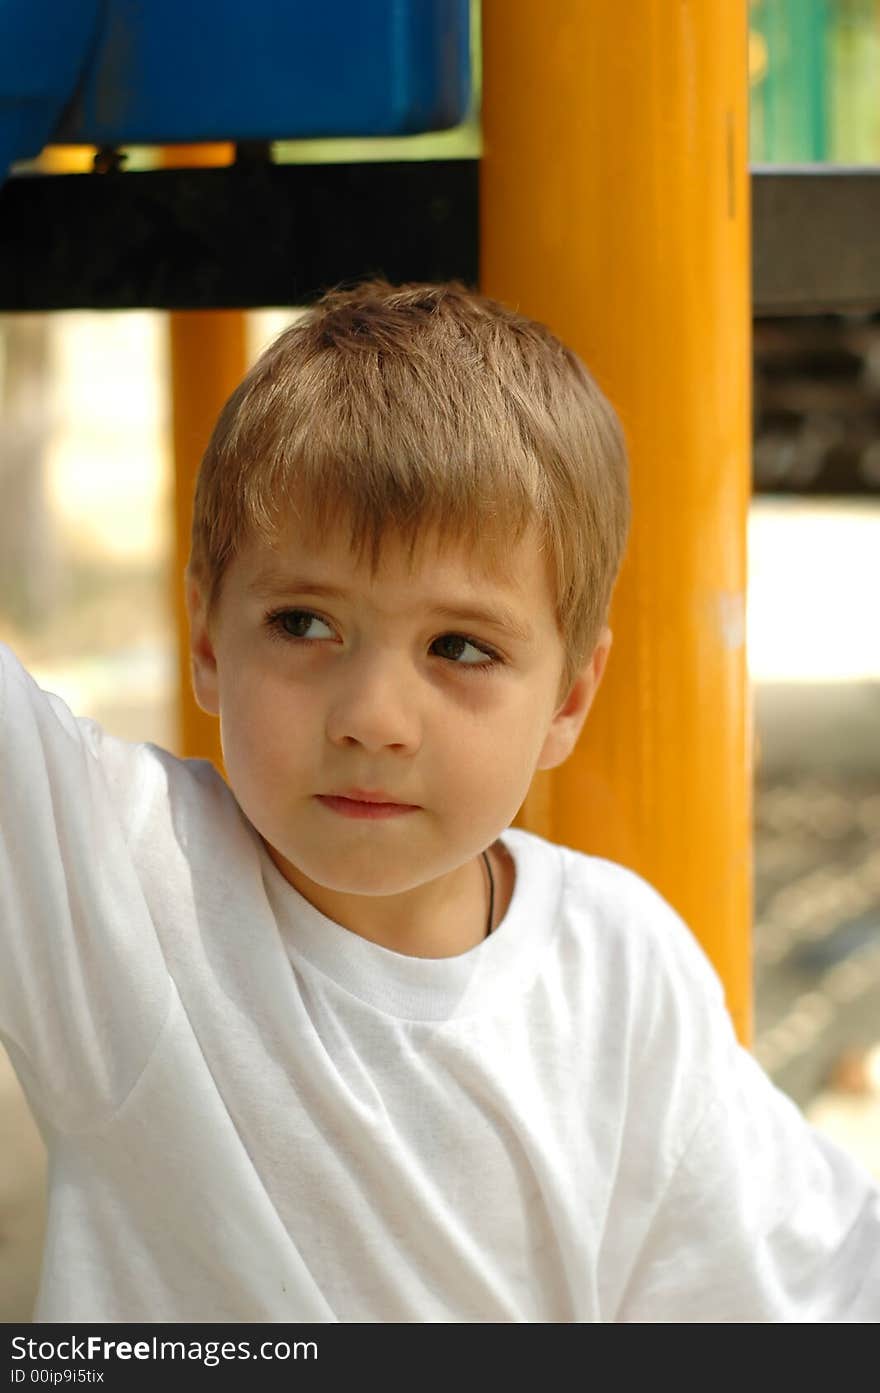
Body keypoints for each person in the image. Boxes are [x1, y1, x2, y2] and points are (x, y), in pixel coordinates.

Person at [1, 280, 877, 1323]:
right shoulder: (127, 889)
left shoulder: (617, 976)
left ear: (568, 696)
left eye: (459, 646)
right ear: (205, 639)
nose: (374, 716)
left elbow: (814, 1286)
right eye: (303, 623)